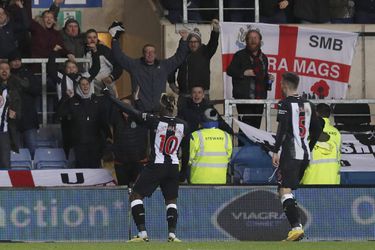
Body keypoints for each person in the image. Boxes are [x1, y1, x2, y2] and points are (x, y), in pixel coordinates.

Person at [103, 87, 188, 242]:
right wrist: (183, 173)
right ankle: (172, 235)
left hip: (156, 165)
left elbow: (129, 110)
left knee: (135, 195)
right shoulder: (183, 125)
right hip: (174, 166)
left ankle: (142, 234)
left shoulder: (155, 120)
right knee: (171, 200)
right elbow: (186, 151)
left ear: (161, 107)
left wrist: (111, 97)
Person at [271, 72, 322, 241]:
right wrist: (309, 146)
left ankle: (296, 228)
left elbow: (282, 129)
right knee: (286, 190)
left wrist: (275, 150)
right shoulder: (309, 104)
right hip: (305, 155)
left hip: (291, 154)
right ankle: (296, 227)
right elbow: (318, 128)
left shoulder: (284, 104)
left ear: (283, 85)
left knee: (284, 189)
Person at [108, 21, 189, 113]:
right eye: (147, 52)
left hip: (159, 111)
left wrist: (184, 40)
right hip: (141, 111)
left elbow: (179, 57)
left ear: (155, 54)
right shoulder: (134, 66)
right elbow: (119, 56)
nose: (150, 54)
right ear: (143, 54)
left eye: (152, 52)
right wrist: (114, 39)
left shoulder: (164, 66)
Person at [178, 85, 233, 182]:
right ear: (191, 95)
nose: (197, 95)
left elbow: (220, 122)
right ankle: (183, 179)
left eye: (199, 92)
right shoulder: (185, 109)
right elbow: (179, 123)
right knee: (185, 165)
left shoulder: (210, 108)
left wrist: (231, 131)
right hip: (188, 142)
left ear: (203, 95)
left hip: (203, 146)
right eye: (194, 92)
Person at [57, 77, 110, 168]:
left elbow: (104, 120)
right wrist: (66, 97)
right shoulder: (72, 100)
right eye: (82, 84)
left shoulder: (98, 100)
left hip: (95, 143)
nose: (85, 87)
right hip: (79, 143)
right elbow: (60, 113)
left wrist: (107, 137)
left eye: (87, 84)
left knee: (95, 170)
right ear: (79, 86)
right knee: (82, 169)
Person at [227, 29, 274, 129]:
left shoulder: (264, 58)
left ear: (260, 41)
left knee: (256, 129)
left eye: (255, 38)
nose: (253, 40)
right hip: (244, 99)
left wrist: (268, 77)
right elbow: (229, 71)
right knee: (245, 128)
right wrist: (243, 73)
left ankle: (254, 145)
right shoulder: (239, 55)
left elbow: (262, 76)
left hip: (260, 99)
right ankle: (243, 145)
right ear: (246, 41)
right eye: (250, 38)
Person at [168, 19, 220, 110]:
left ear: (199, 43)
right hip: (185, 95)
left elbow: (213, 44)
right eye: (191, 42)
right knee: (185, 122)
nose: (193, 44)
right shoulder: (182, 54)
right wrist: (172, 84)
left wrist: (215, 31)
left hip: (203, 95)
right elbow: (172, 66)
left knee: (203, 121)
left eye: (196, 42)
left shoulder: (206, 52)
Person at [108, 96, 148, 186]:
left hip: (138, 162)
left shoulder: (139, 119)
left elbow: (143, 112)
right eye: (122, 105)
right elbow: (110, 108)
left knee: (138, 189)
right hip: (121, 163)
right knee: (122, 189)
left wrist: (137, 100)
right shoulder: (116, 119)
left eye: (127, 105)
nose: (124, 107)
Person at [8, 50, 40, 158]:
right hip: (12, 120)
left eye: (18, 60)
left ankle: (35, 174)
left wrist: (25, 86)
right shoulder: (5, 76)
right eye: (14, 61)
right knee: (15, 153)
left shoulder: (28, 73)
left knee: (33, 151)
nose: (16, 63)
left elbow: (37, 90)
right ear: (9, 63)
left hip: (29, 119)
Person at [301, 103, 342, 184]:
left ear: (316, 113)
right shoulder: (337, 133)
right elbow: (338, 157)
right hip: (332, 180)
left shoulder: (308, 131)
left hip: (310, 180)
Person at [189, 108, 232, 184]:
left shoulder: (195, 135)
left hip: (198, 181)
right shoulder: (226, 136)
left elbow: (189, 159)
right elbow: (228, 157)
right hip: (220, 182)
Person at [84, 29, 123, 96]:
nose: (92, 39)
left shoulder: (104, 50)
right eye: (89, 37)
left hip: (107, 84)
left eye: (94, 37)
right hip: (91, 86)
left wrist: (111, 77)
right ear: (86, 39)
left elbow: (118, 65)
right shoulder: (83, 51)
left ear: (97, 38)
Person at [0, 61, 22, 168]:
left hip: (4, 132)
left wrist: (15, 114)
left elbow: (19, 114)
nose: (4, 71)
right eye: (1, 69)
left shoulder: (13, 91)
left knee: (5, 163)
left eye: (7, 69)